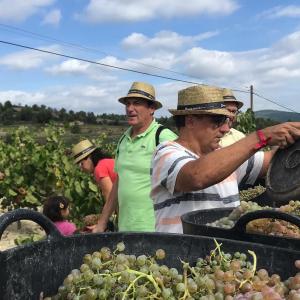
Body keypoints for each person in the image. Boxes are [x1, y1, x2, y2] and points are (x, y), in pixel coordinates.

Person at [151, 84, 300, 233]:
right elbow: (196, 176)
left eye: (226, 120)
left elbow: (278, 163)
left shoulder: (227, 158)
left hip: (221, 255)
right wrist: (261, 137)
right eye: (217, 120)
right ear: (190, 121)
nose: (225, 129)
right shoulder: (166, 154)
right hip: (183, 254)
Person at [93, 81, 177, 232]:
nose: (130, 109)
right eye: (128, 104)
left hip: (156, 229)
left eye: (137, 103)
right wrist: (102, 222)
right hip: (125, 228)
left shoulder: (163, 137)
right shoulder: (123, 140)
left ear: (151, 108)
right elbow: (119, 182)